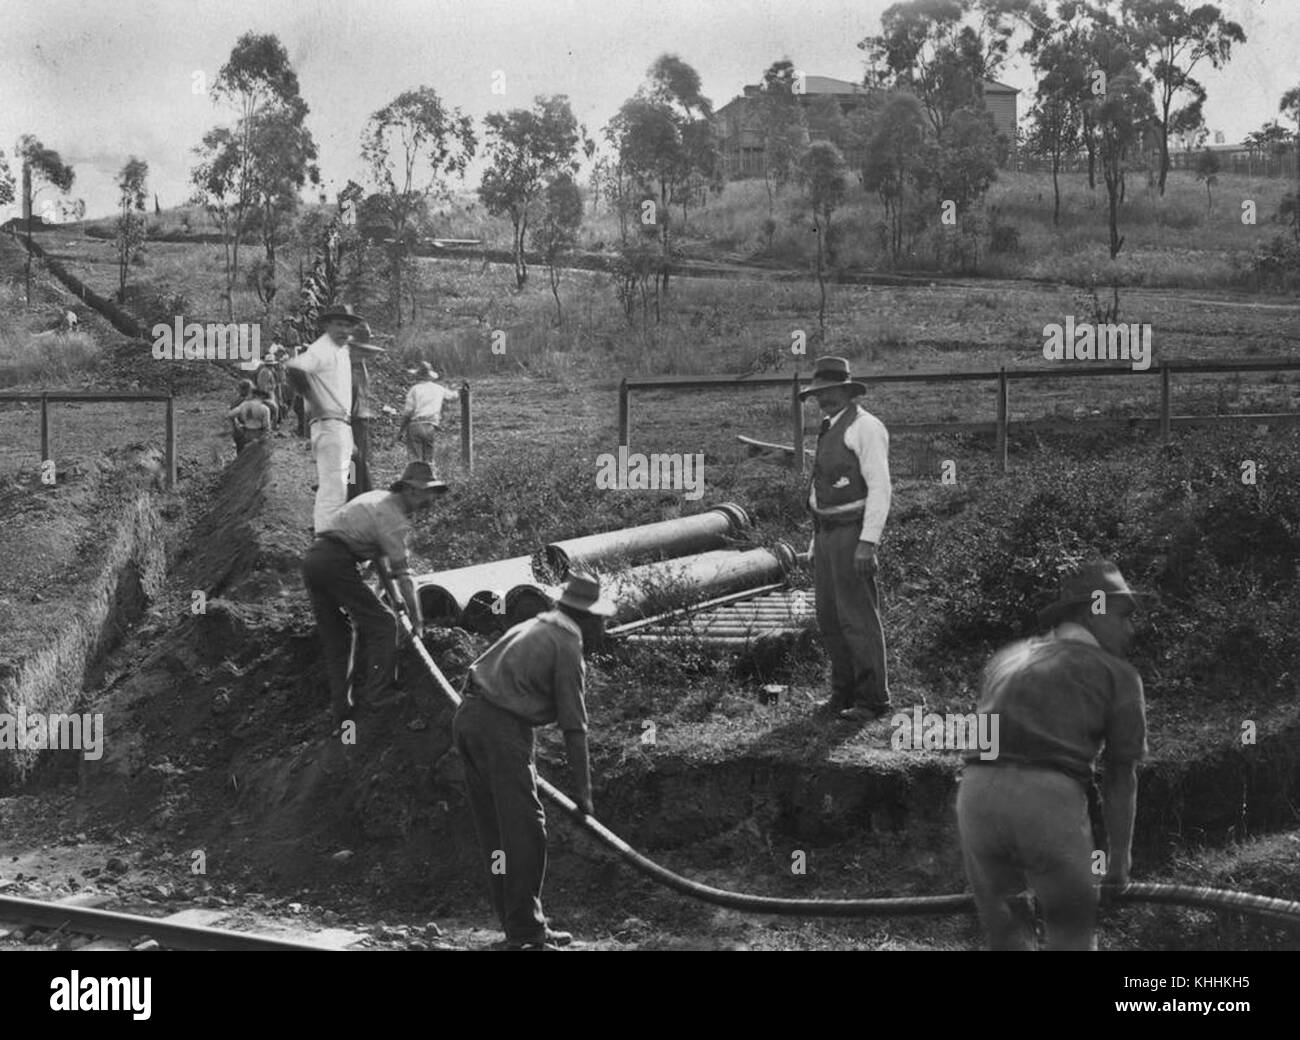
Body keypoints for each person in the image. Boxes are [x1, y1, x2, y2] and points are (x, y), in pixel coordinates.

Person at [956, 560, 1149, 951]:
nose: (1133, 628)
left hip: (975, 796)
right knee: (1071, 937)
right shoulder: (1118, 674)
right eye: (1125, 615)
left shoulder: (1007, 660)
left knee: (1008, 938)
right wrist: (1117, 864)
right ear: (1092, 609)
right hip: (1045, 800)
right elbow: (1119, 775)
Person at [452, 572, 614, 951]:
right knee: (526, 832)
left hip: (468, 718)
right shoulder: (568, 641)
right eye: (602, 621)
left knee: (496, 834)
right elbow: (575, 728)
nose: (603, 629)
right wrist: (584, 796)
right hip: (498, 727)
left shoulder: (535, 624)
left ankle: (517, 927)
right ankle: (526, 932)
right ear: (588, 618)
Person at [302, 461, 448, 729]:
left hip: (314, 560)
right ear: (412, 491)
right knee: (384, 623)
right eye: (429, 494)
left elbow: (380, 561)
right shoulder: (393, 518)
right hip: (335, 562)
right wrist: (417, 622)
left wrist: (396, 600)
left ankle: (342, 713)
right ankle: (379, 695)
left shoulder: (377, 499)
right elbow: (404, 576)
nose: (432, 500)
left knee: (338, 638)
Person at [800, 356, 893, 724]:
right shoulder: (828, 427)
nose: (825, 398)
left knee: (857, 616)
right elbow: (820, 489)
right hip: (826, 534)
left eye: (831, 391)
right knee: (829, 616)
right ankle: (843, 693)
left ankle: (873, 699)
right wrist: (814, 540)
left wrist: (868, 542)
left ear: (847, 390)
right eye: (819, 393)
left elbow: (881, 488)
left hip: (853, 532)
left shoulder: (866, 427)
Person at [284, 305, 361, 534]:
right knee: (333, 490)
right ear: (327, 325)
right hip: (329, 426)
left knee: (349, 482)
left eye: (348, 325)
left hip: (342, 427)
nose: (343, 330)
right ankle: (324, 542)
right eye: (338, 324)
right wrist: (316, 403)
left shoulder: (342, 351)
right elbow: (294, 368)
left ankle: (340, 538)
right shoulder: (323, 348)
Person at [347, 321, 386, 501]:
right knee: (356, 459)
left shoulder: (356, 369)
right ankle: (356, 492)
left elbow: (353, 396)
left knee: (355, 459)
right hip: (356, 418)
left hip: (355, 419)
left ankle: (356, 494)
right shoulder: (355, 367)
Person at [398, 361, 459, 469]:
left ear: (418, 376)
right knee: (429, 458)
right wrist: (458, 390)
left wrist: (401, 431)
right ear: (430, 376)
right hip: (430, 426)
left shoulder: (414, 390)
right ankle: (430, 480)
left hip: (415, 425)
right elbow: (453, 396)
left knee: (415, 460)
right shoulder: (438, 388)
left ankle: (417, 481)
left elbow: (408, 413)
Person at [228, 379, 254, 455]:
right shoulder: (244, 401)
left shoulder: (236, 400)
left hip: (238, 429)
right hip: (244, 430)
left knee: (240, 451)